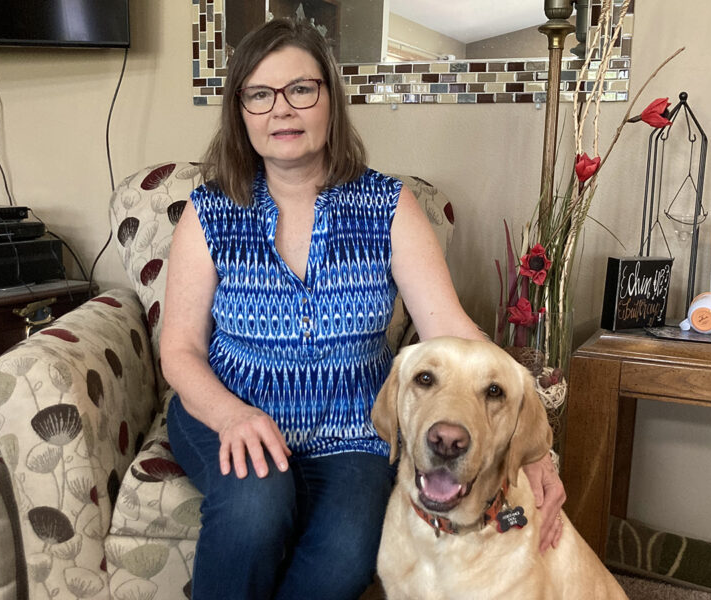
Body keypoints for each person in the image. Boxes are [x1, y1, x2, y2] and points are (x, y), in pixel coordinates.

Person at [160, 18, 566, 600]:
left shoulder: (389, 205)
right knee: (256, 505)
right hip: (225, 406)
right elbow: (179, 350)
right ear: (240, 111)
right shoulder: (208, 212)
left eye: (301, 89)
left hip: (354, 426)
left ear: (330, 99)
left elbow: (449, 328)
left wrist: (535, 445)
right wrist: (230, 416)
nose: (282, 109)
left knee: (348, 556)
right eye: (259, 94)